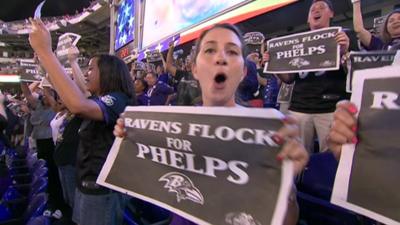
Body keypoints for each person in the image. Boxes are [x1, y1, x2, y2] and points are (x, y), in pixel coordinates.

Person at [114, 23, 308, 225]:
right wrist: (130, 141)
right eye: (210, 50)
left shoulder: (269, 135)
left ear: (242, 71)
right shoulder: (174, 127)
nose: (220, 58)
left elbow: (286, 221)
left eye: (232, 51)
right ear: (195, 69)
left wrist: (286, 188)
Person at [29, 18, 136, 225]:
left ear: (107, 73)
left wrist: (46, 52)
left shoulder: (118, 99)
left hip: (101, 191)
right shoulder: (100, 99)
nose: (86, 74)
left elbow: (78, 104)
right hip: (87, 184)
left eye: (91, 69)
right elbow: (75, 96)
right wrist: (49, 64)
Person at [275, 0, 352, 153]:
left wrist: (344, 52)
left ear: (331, 13)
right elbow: (288, 79)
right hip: (299, 107)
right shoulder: (296, 43)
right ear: (308, 18)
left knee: (332, 156)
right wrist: (275, 66)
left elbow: (353, 74)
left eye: (321, 7)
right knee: (298, 155)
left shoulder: (345, 36)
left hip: (330, 108)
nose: (316, 11)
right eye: (312, 10)